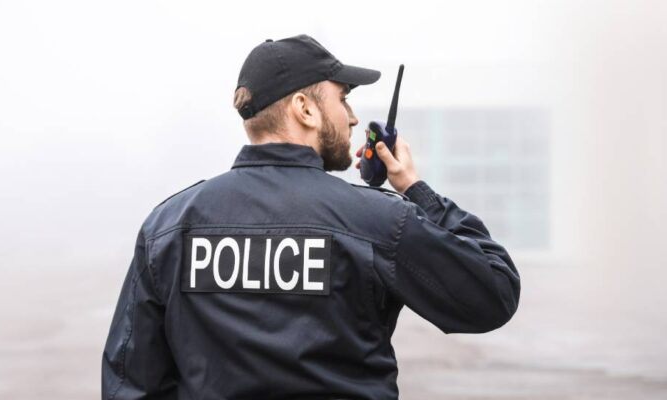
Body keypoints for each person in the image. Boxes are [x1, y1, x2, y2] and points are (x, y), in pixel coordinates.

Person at [102, 34, 520, 400]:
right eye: (343, 98)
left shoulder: (169, 226)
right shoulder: (378, 220)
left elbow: (130, 383)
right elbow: (492, 292)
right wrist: (414, 188)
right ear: (305, 108)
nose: (353, 118)